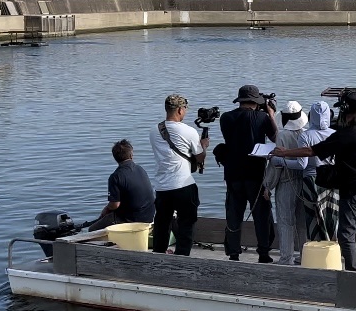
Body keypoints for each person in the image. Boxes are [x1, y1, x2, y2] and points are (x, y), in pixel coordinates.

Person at [271, 90, 356, 273]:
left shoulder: (343, 135)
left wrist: (283, 153)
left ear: (345, 111)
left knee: (346, 233)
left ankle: (353, 272)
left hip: (353, 190)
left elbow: (311, 151)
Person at [218, 85, 278, 262]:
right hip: (256, 174)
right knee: (261, 215)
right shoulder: (263, 117)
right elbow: (276, 137)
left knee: (234, 214)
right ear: (256, 102)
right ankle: (264, 253)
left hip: (233, 173)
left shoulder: (225, 118)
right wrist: (271, 115)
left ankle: (234, 253)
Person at [149, 94, 207, 255]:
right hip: (183, 185)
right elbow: (200, 157)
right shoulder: (189, 131)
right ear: (180, 110)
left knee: (162, 223)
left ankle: (158, 255)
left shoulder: (154, 130)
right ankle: (182, 257)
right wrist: (204, 146)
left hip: (161, 186)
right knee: (187, 224)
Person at [263, 101, 309, 265]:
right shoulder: (306, 133)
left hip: (286, 182)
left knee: (285, 222)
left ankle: (286, 258)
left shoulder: (282, 136)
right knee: (302, 223)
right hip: (304, 182)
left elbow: (277, 165)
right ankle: (306, 256)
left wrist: (268, 185)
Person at [90, 139, 156, 231]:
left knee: (92, 229)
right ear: (131, 155)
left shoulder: (116, 177)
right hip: (148, 216)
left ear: (115, 157)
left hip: (131, 219)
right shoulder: (140, 169)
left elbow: (114, 205)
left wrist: (105, 211)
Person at [299, 101, 337, 241]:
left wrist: (279, 159)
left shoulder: (305, 136)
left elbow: (302, 165)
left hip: (311, 180)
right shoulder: (336, 134)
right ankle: (333, 248)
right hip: (332, 180)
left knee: (313, 216)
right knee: (332, 215)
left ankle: (316, 249)